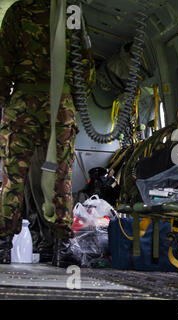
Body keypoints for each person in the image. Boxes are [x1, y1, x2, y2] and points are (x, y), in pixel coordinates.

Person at [0, 0, 95, 267]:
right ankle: (61, 246)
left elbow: (3, 60)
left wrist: (6, 101)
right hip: (60, 103)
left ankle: (4, 244)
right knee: (61, 175)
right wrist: (73, 100)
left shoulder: (19, 11)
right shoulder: (72, 11)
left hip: (23, 102)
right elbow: (84, 65)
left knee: (13, 175)